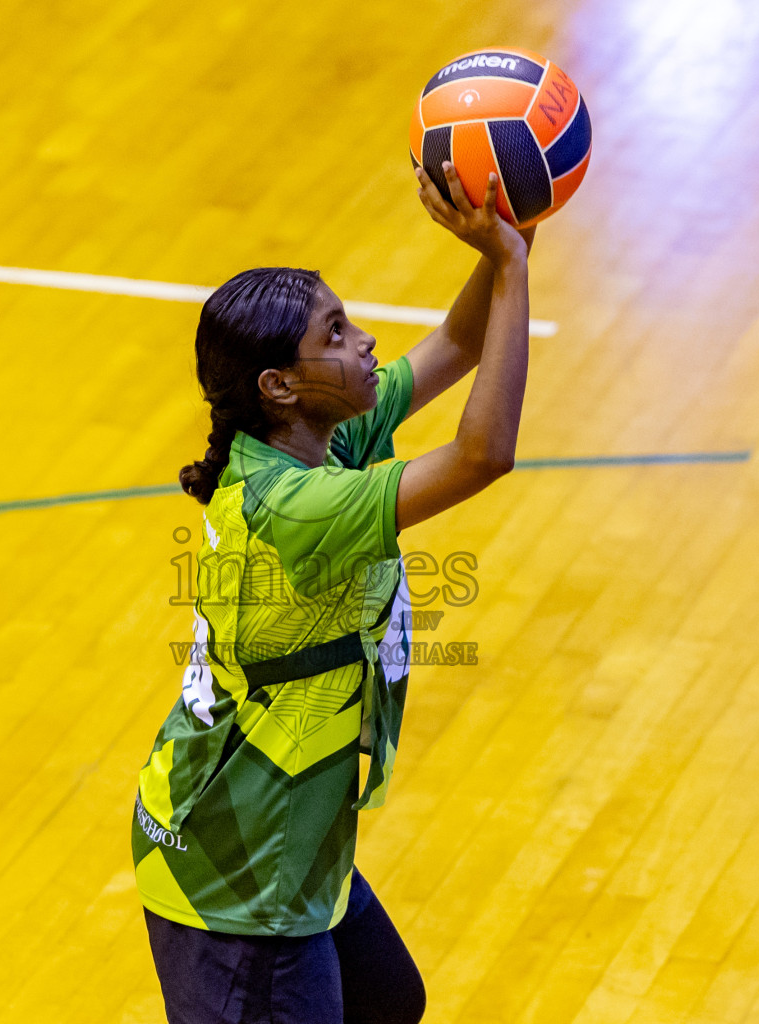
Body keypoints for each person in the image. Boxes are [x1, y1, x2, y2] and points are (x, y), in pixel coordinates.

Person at [132, 163, 534, 1024]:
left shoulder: (318, 439)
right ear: (281, 383)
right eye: (338, 332)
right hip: (240, 885)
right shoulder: (295, 510)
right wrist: (513, 268)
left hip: (283, 841)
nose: (366, 343)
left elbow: (459, 345)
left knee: (388, 1000)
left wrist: (512, 229)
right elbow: (482, 454)